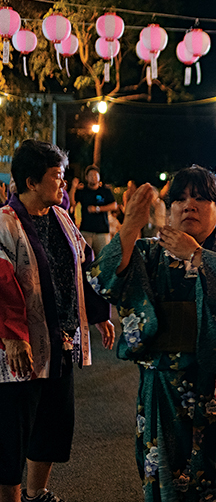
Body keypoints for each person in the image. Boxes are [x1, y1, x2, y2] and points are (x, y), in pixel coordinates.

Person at [92, 165, 216, 501]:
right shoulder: (149, 252)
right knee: (166, 480)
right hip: (163, 389)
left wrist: (196, 255)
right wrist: (130, 226)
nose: (189, 206)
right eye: (180, 200)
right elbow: (102, 280)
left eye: (200, 198)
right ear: (169, 210)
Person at [0, 140, 114, 502]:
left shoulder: (62, 217)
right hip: (19, 348)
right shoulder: (5, 223)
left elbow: (84, 264)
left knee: (52, 424)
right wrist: (13, 336)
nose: (64, 183)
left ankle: (37, 493)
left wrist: (98, 314)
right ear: (32, 181)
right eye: (57, 176)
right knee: (12, 432)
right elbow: (2, 284)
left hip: (60, 341)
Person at [71, 165, 118, 256]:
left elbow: (114, 205)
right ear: (86, 177)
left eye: (95, 175)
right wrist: (73, 187)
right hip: (86, 231)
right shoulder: (83, 191)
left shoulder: (105, 191)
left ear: (99, 177)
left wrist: (98, 209)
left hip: (102, 231)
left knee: (102, 258)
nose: (93, 177)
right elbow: (72, 203)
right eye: (91, 175)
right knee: (84, 258)